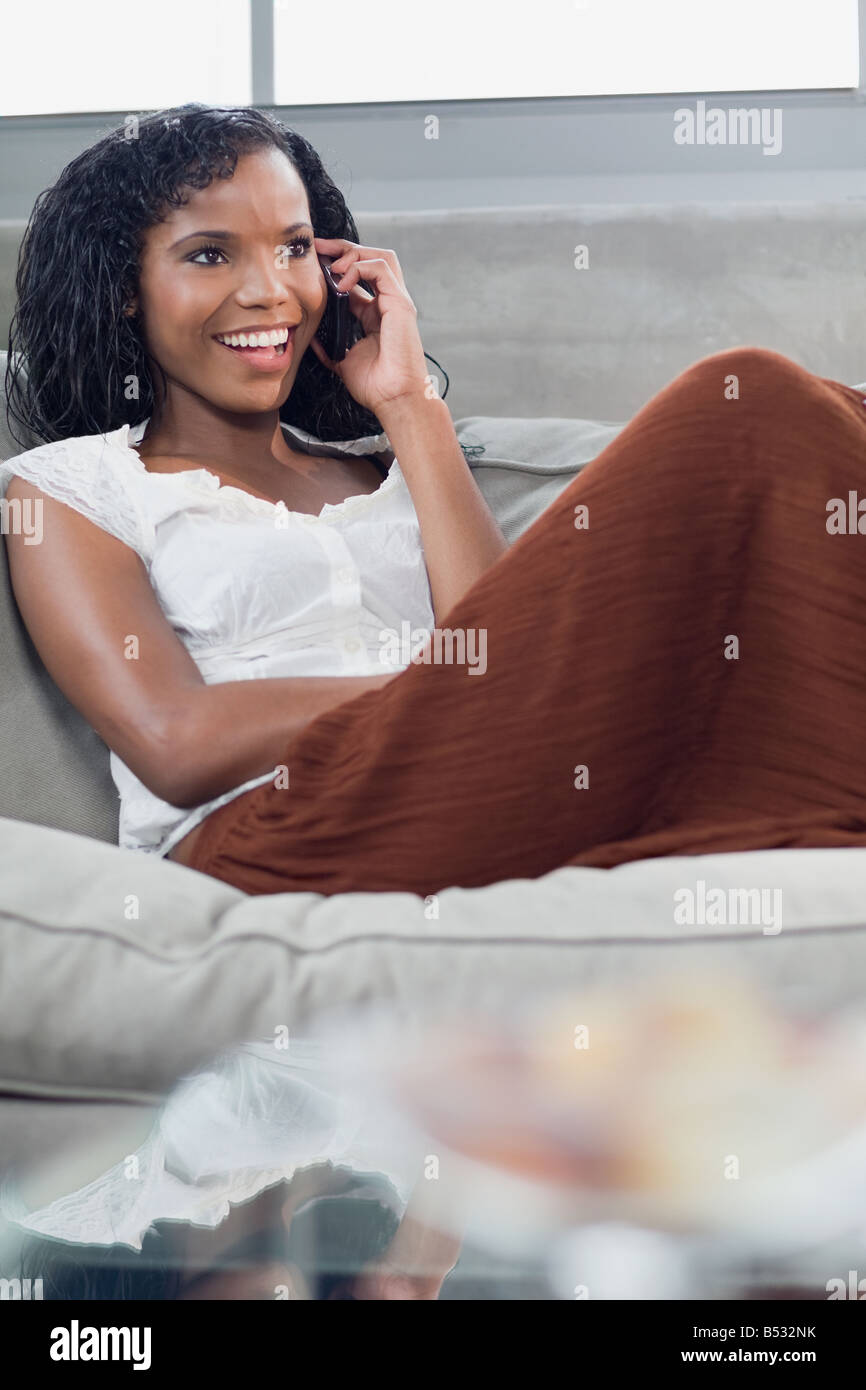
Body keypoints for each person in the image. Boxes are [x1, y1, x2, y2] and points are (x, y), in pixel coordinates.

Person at [5, 103, 866, 900]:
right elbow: (176, 742)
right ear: (124, 286)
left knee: (818, 429)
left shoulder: (389, 470)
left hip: (478, 786)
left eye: (295, 247)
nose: (272, 290)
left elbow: (503, 648)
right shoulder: (76, 485)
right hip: (267, 837)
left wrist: (412, 407)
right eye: (210, 253)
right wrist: (444, 684)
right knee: (746, 399)